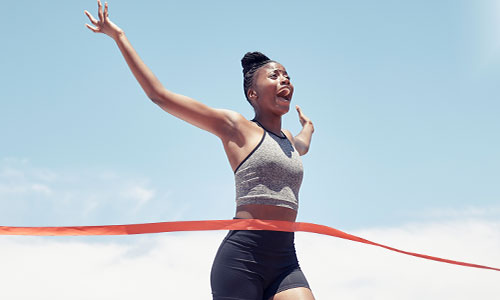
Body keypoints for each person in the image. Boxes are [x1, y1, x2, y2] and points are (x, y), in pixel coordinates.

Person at [85, 1, 315, 299]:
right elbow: (160, 96)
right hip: (243, 260)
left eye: (287, 75)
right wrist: (119, 37)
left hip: (285, 261)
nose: (284, 79)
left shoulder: (286, 139)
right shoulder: (236, 127)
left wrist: (308, 127)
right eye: (274, 76)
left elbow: (302, 146)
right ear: (252, 93)